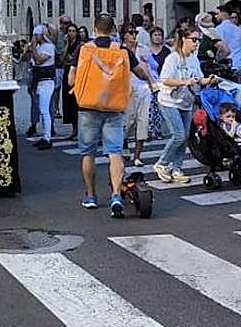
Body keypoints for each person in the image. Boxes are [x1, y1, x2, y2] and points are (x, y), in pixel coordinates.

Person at [69, 14, 150, 217]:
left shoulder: (84, 49)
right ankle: (115, 195)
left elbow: (71, 79)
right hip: (114, 107)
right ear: (113, 30)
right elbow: (141, 72)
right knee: (115, 152)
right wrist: (150, 81)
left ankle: (90, 196)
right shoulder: (122, 51)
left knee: (88, 153)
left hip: (88, 106)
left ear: (95, 30)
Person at [155, 26, 218, 184]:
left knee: (185, 137)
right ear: (184, 39)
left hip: (186, 102)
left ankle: (176, 167)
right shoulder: (173, 58)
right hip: (169, 100)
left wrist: (209, 80)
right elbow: (165, 80)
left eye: (199, 40)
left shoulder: (193, 59)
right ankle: (162, 163)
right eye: (194, 40)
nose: (196, 43)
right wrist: (184, 82)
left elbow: (198, 79)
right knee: (178, 135)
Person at [120, 23, 155, 168]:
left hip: (143, 88)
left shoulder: (143, 49)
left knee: (143, 122)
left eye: (135, 32)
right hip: (127, 88)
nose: (133, 35)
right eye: (130, 32)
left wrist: (152, 83)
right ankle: (123, 145)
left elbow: (152, 67)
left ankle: (137, 155)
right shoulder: (120, 50)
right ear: (124, 35)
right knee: (129, 121)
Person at [27, 25, 57, 150]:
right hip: (38, 81)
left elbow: (39, 60)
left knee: (45, 110)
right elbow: (29, 60)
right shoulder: (39, 47)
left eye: (36, 35)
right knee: (41, 108)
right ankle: (45, 135)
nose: (35, 37)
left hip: (47, 81)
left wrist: (33, 48)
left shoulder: (49, 47)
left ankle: (48, 137)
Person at [214, 4, 241, 69]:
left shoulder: (219, 29)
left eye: (217, 13)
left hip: (229, 63)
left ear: (223, 13)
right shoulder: (239, 29)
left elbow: (221, 47)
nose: (216, 16)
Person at [61, 24, 80, 135]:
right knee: (68, 101)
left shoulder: (79, 45)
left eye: (73, 31)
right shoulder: (67, 44)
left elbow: (74, 59)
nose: (71, 33)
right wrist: (67, 44)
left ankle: (77, 128)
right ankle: (73, 128)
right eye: (69, 31)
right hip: (67, 72)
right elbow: (62, 58)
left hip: (76, 74)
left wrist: (71, 58)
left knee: (75, 102)